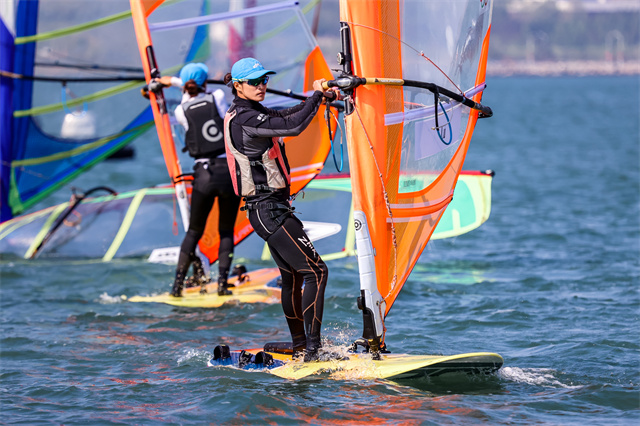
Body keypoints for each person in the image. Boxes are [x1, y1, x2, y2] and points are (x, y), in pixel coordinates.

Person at [222, 57, 336, 362]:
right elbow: (293, 126)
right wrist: (316, 96)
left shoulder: (250, 111)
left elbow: (284, 114)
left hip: (267, 209)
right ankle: (313, 350)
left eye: (264, 80)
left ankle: (300, 346)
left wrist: (320, 99)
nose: (261, 86)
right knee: (316, 272)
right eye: (254, 82)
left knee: (293, 277)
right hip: (268, 210)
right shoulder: (245, 117)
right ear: (238, 85)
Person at [155, 63, 241, 297]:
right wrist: (178, 82)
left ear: (185, 85)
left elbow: (189, 96)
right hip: (228, 174)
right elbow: (211, 97)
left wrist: (173, 82)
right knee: (226, 231)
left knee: (194, 232)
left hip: (203, 175)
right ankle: (222, 285)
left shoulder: (180, 111)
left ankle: (176, 288)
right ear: (205, 82)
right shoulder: (218, 96)